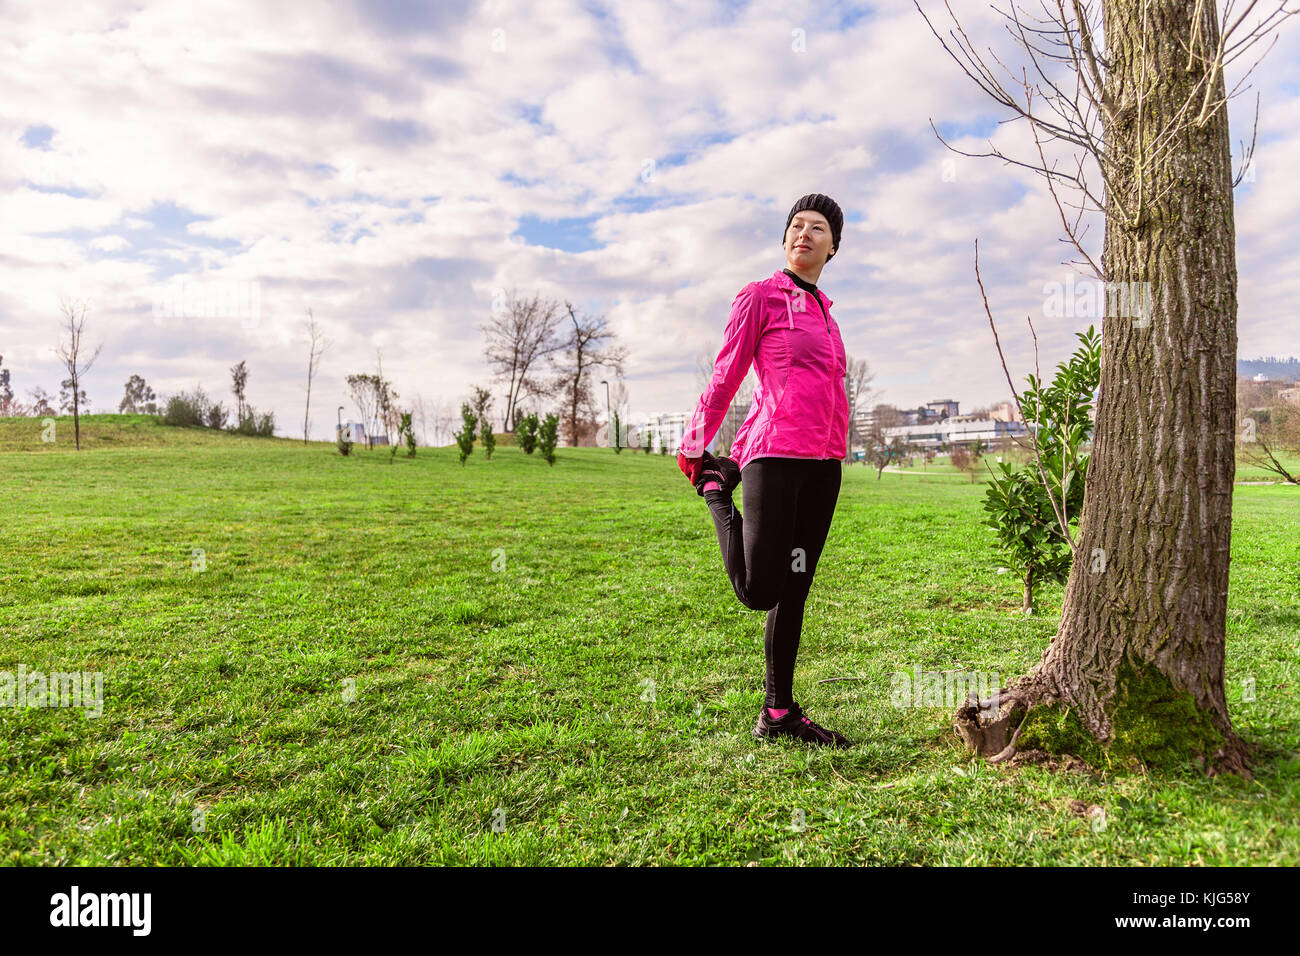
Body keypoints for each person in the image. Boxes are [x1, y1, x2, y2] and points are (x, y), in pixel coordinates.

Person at [677, 193, 852, 748]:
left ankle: (779, 713)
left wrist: (839, 447)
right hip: (774, 455)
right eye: (796, 225)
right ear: (785, 240)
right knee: (758, 589)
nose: (805, 233)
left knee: (795, 588)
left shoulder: (826, 311)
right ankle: (714, 489)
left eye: (818, 227)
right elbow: (727, 373)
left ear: (834, 245)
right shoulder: (761, 297)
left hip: (824, 463)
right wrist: (696, 444)